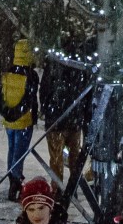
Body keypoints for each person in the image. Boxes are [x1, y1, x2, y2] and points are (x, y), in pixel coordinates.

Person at [39, 50, 94, 190]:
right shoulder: (81, 65)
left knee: (56, 158)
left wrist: (46, 110)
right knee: (74, 157)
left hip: (56, 120)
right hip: (74, 119)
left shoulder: (54, 63)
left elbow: (44, 90)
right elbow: (87, 94)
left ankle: (58, 189)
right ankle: (72, 187)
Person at [0, 38, 40, 201]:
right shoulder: (31, 76)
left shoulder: (7, 73)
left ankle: (13, 180)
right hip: (24, 121)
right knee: (19, 154)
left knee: (12, 150)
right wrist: (17, 113)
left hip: (9, 123)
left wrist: (7, 113)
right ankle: (15, 183)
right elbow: (29, 100)